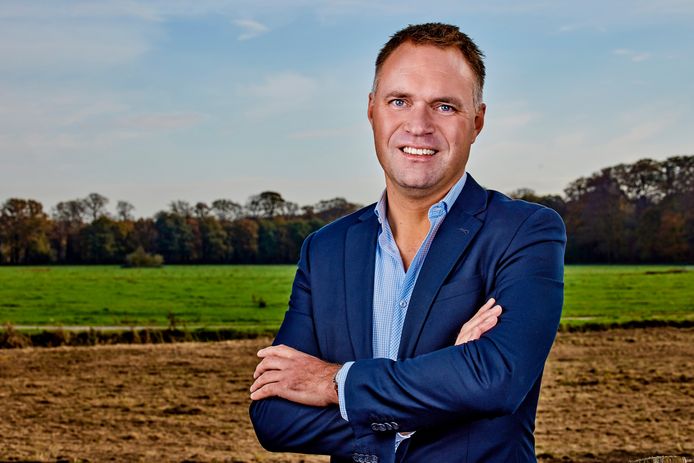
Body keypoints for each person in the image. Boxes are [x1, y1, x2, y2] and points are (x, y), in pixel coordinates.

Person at [249, 22, 566, 463]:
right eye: (399, 101)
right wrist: (443, 391)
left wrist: (334, 383)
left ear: (476, 122)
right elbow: (273, 415)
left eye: (444, 106)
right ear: (372, 110)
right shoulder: (325, 250)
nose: (418, 126)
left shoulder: (524, 231)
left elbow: (496, 380)